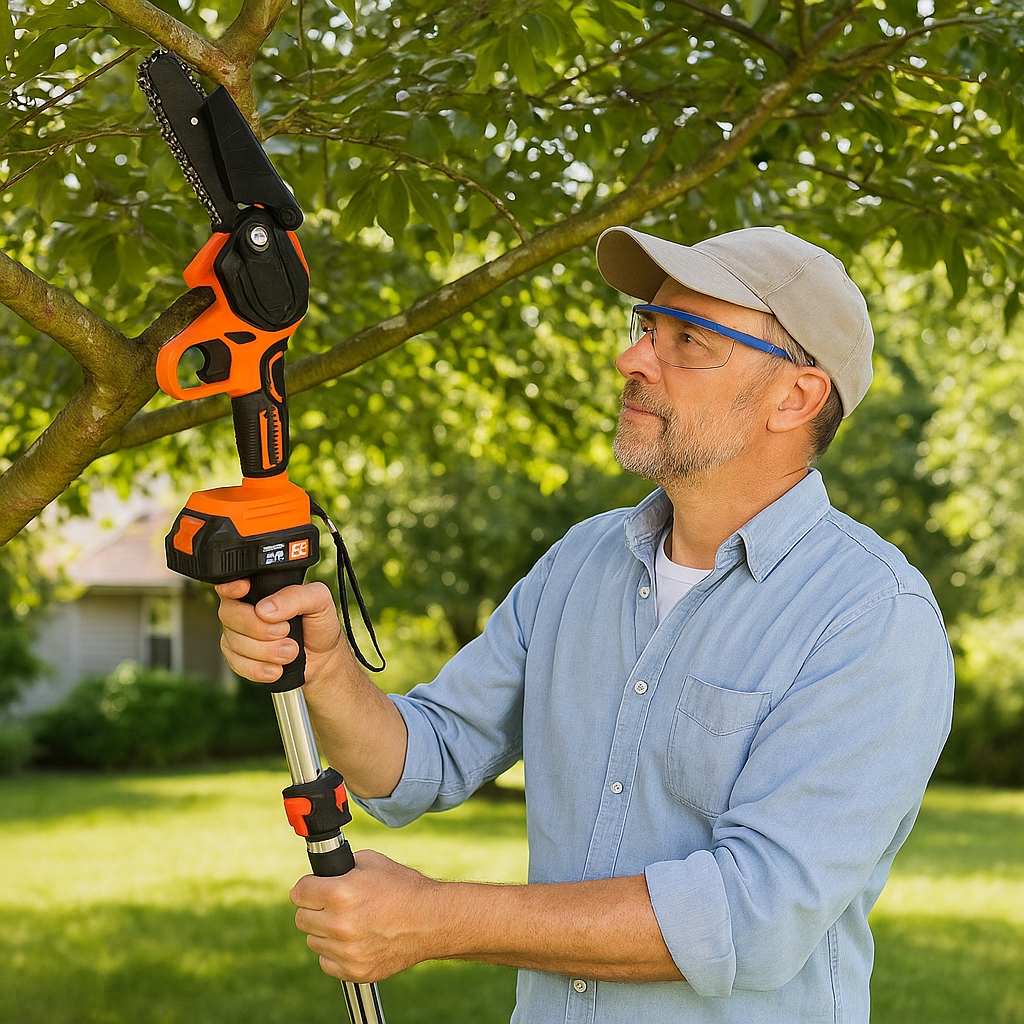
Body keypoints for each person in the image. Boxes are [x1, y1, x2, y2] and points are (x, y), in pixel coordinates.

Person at [216, 225, 954, 1024]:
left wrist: (436, 919)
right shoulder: (583, 562)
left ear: (796, 398)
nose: (633, 359)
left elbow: (752, 918)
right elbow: (417, 762)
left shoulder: (870, 618)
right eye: (645, 326)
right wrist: (325, 668)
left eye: (691, 340)